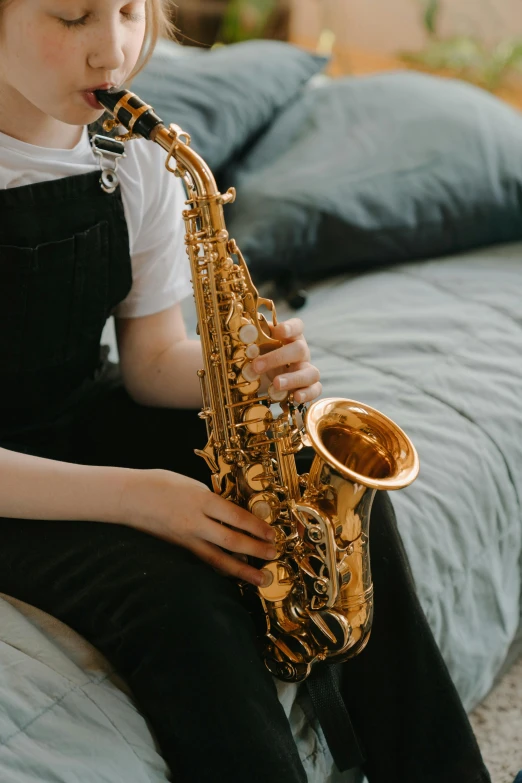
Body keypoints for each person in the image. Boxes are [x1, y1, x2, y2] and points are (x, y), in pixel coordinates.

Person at [0, 1, 492, 782]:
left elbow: (152, 358)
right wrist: (145, 499)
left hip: (79, 408)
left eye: (129, 12)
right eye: (72, 16)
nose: (113, 51)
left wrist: (245, 372)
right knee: (175, 599)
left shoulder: (132, 157)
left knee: (325, 495)